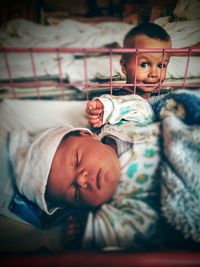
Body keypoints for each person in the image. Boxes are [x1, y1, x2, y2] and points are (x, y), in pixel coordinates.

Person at [112, 22, 172, 99]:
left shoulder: (160, 98)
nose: (154, 74)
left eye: (161, 65)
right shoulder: (117, 100)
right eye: (144, 65)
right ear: (124, 67)